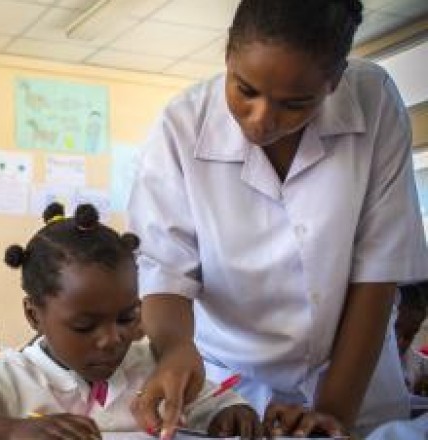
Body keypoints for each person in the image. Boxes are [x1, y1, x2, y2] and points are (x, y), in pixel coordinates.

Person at [126, 0, 428, 437]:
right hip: (232, 383)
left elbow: (377, 273)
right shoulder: (181, 126)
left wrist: (334, 413)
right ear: (228, 55)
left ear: (335, 80)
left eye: (295, 104)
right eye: (245, 90)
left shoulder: (373, 99)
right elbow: (163, 270)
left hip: (353, 379)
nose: (261, 120)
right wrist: (174, 349)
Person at [0, 203, 259, 440]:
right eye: (85, 326)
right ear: (34, 315)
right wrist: (14, 430)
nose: (112, 339)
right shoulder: (9, 378)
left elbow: (219, 405)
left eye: (127, 317)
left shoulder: (153, 369)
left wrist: (230, 416)